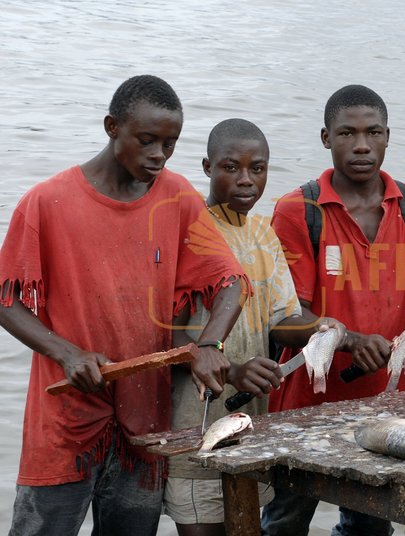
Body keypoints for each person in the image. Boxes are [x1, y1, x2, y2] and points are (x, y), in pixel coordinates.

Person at [0, 75, 247, 536]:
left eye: (170, 144)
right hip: (66, 418)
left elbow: (230, 279)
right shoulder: (47, 201)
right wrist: (67, 353)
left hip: (144, 423)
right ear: (112, 127)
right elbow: (6, 301)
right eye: (147, 141)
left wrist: (211, 341)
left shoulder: (175, 196)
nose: (159, 155)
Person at [261, 85, 405, 536]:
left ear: (388, 136)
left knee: (370, 529)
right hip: (304, 407)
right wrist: (349, 340)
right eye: (347, 133)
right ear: (325, 138)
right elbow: (286, 321)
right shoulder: (298, 210)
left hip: (391, 404)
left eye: (373, 132)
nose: (361, 145)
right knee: (285, 523)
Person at [166, 118, 346, 536]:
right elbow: (166, 337)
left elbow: (283, 319)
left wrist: (325, 329)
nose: (246, 180)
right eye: (232, 167)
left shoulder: (264, 234)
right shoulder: (188, 232)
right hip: (194, 429)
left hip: (249, 430)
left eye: (258, 168)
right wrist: (234, 369)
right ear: (207, 167)